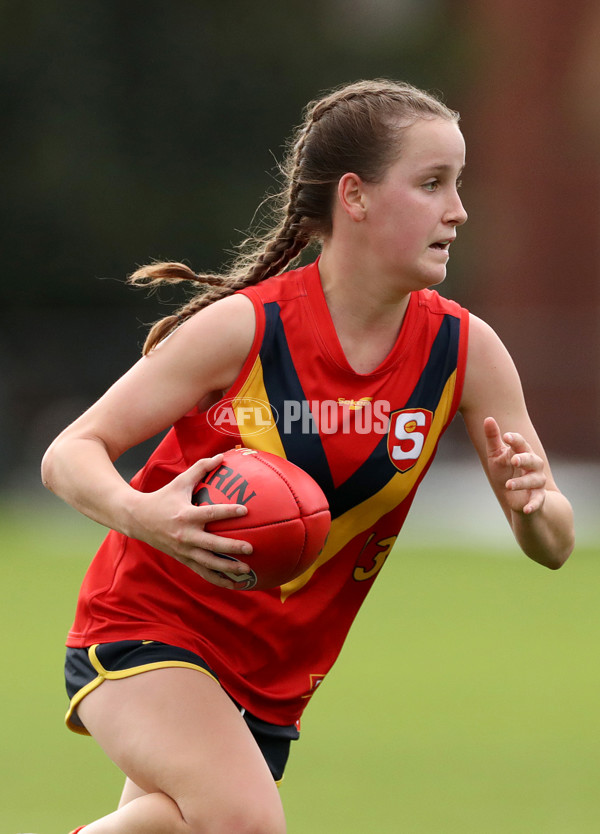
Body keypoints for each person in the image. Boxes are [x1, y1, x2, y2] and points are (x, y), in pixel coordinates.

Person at [39, 79, 574, 834]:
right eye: (431, 184)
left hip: (273, 680)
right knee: (247, 821)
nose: (458, 210)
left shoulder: (466, 352)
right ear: (353, 197)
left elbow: (554, 543)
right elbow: (70, 452)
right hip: (147, 628)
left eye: (458, 185)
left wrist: (533, 508)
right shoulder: (245, 330)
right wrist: (141, 513)